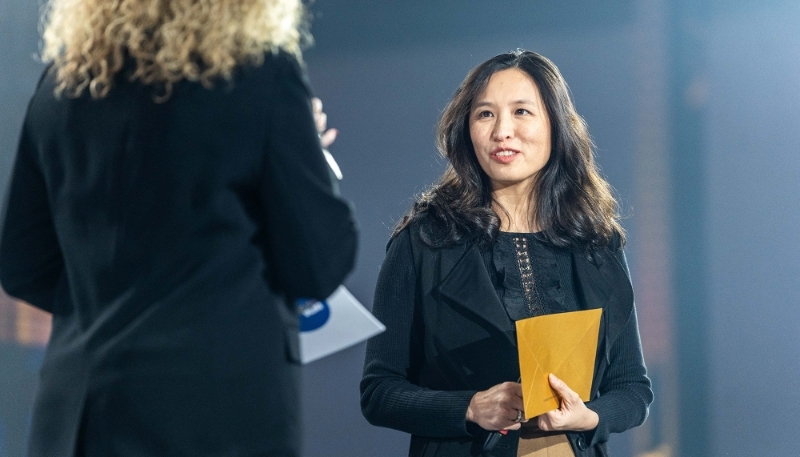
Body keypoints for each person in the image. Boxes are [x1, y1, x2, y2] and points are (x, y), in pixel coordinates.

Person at [0, 0, 357, 455]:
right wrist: (310, 153)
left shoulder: (60, 84)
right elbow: (318, 263)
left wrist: (110, 303)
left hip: (79, 414)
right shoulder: (259, 74)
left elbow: (22, 267)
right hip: (211, 415)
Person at [360, 49, 652, 457]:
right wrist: (470, 406)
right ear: (465, 130)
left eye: (521, 112)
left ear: (556, 125)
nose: (502, 131)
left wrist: (589, 417)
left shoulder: (597, 243)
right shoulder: (425, 240)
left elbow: (632, 388)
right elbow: (379, 391)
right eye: (485, 114)